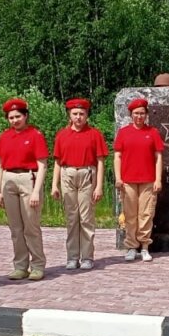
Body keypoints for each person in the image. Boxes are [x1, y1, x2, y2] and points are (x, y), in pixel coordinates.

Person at [0, 98, 49, 281]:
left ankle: (38, 265)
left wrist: (36, 191)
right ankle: (20, 266)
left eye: (18, 116)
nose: (15, 120)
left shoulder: (35, 135)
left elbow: (42, 165)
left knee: (31, 226)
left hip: (28, 178)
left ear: (25, 116)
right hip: (8, 179)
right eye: (11, 117)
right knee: (15, 228)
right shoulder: (4, 136)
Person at [51, 98, 108, 270]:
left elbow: (100, 161)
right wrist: (54, 185)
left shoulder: (94, 134)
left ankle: (87, 256)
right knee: (71, 217)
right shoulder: (62, 135)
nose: (78, 117)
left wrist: (99, 186)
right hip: (67, 174)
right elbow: (57, 162)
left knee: (86, 217)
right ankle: (72, 257)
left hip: (86, 174)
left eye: (82, 114)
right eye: (75, 114)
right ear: (69, 115)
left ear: (87, 115)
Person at [114, 98, 165, 261]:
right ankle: (131, 246)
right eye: (136, 113)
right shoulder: (124, 132)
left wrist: (158, 179)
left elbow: (158, 157)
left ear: (146, 114)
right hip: (128, 180)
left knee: (146, 214)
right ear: (131, 115)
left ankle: (144, 246)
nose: (139, 116)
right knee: (130, 215)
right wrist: (118, 177)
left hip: (148, 180)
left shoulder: (153, 132)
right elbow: (117, 156)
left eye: (142, 113)